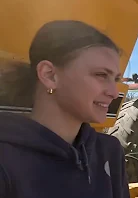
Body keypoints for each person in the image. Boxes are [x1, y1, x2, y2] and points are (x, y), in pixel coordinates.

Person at [0, 20, 130, 198]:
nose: (114, 93)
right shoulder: (6, 160)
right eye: (101, 75)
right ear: (50, 75)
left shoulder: (109, 151)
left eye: (115, 79)